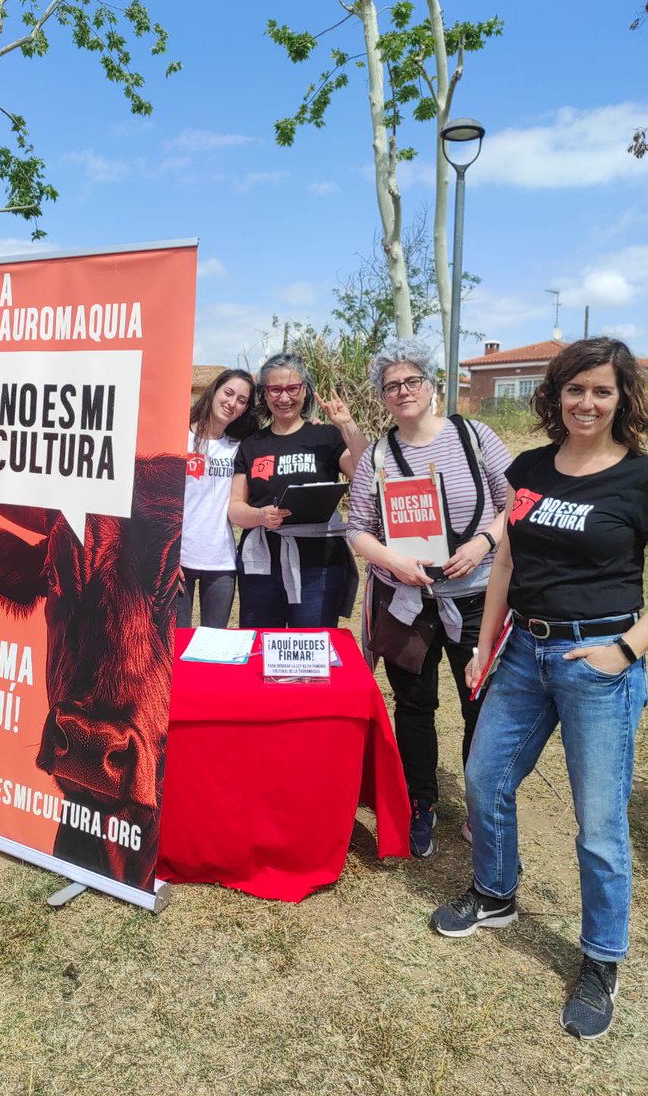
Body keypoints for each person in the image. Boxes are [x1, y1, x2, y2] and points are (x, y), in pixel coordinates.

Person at [431, 337, 648, 1041]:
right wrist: (485, 647)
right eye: (575, 389)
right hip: (524, 648)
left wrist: (623, 651)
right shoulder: (528, 468)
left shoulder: (639, 478)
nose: (587, 402)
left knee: (600, 824)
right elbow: (505, 565)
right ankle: (495, 893)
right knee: (485, 773)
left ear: (621, 399)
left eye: (602, 391)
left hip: (599, 659)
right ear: (554, 396)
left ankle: (600, 960)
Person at [347, 338, 511, 859]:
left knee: (478, 704)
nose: (402, 391)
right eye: (391, 386)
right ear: (382, 397)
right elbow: (358, 529)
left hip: (475, 596)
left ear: (432, 385)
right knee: (414, 706)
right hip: (407, 603)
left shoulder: (474, 435)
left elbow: (517, 503)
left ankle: (479, 808)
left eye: (411, 381)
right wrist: (394, 561)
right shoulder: (376, 455)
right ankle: (422, 802)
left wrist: (484, 542)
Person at [228, 351, 368, 628]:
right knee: (262, 648)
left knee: (311, 650)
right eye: (275, 389)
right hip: (261, 565)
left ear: (305, 391)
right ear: (264, 394)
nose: (284, 397)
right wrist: (260, 516)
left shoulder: (326, 437)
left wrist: (346, 424)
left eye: (292, 388)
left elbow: (365, 473)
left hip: (321, 566)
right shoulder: (251, 444)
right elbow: (235, 507)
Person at [177, 368, 257, 629]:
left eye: (242, 400)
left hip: (221, 561)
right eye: (229, 393)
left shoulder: (240, 445)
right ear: (214, 391)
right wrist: (163, 557)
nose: (232, 403)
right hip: (178, 560)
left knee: (213, 646)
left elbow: (280, 437)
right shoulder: (178, 436)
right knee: (175, 646)